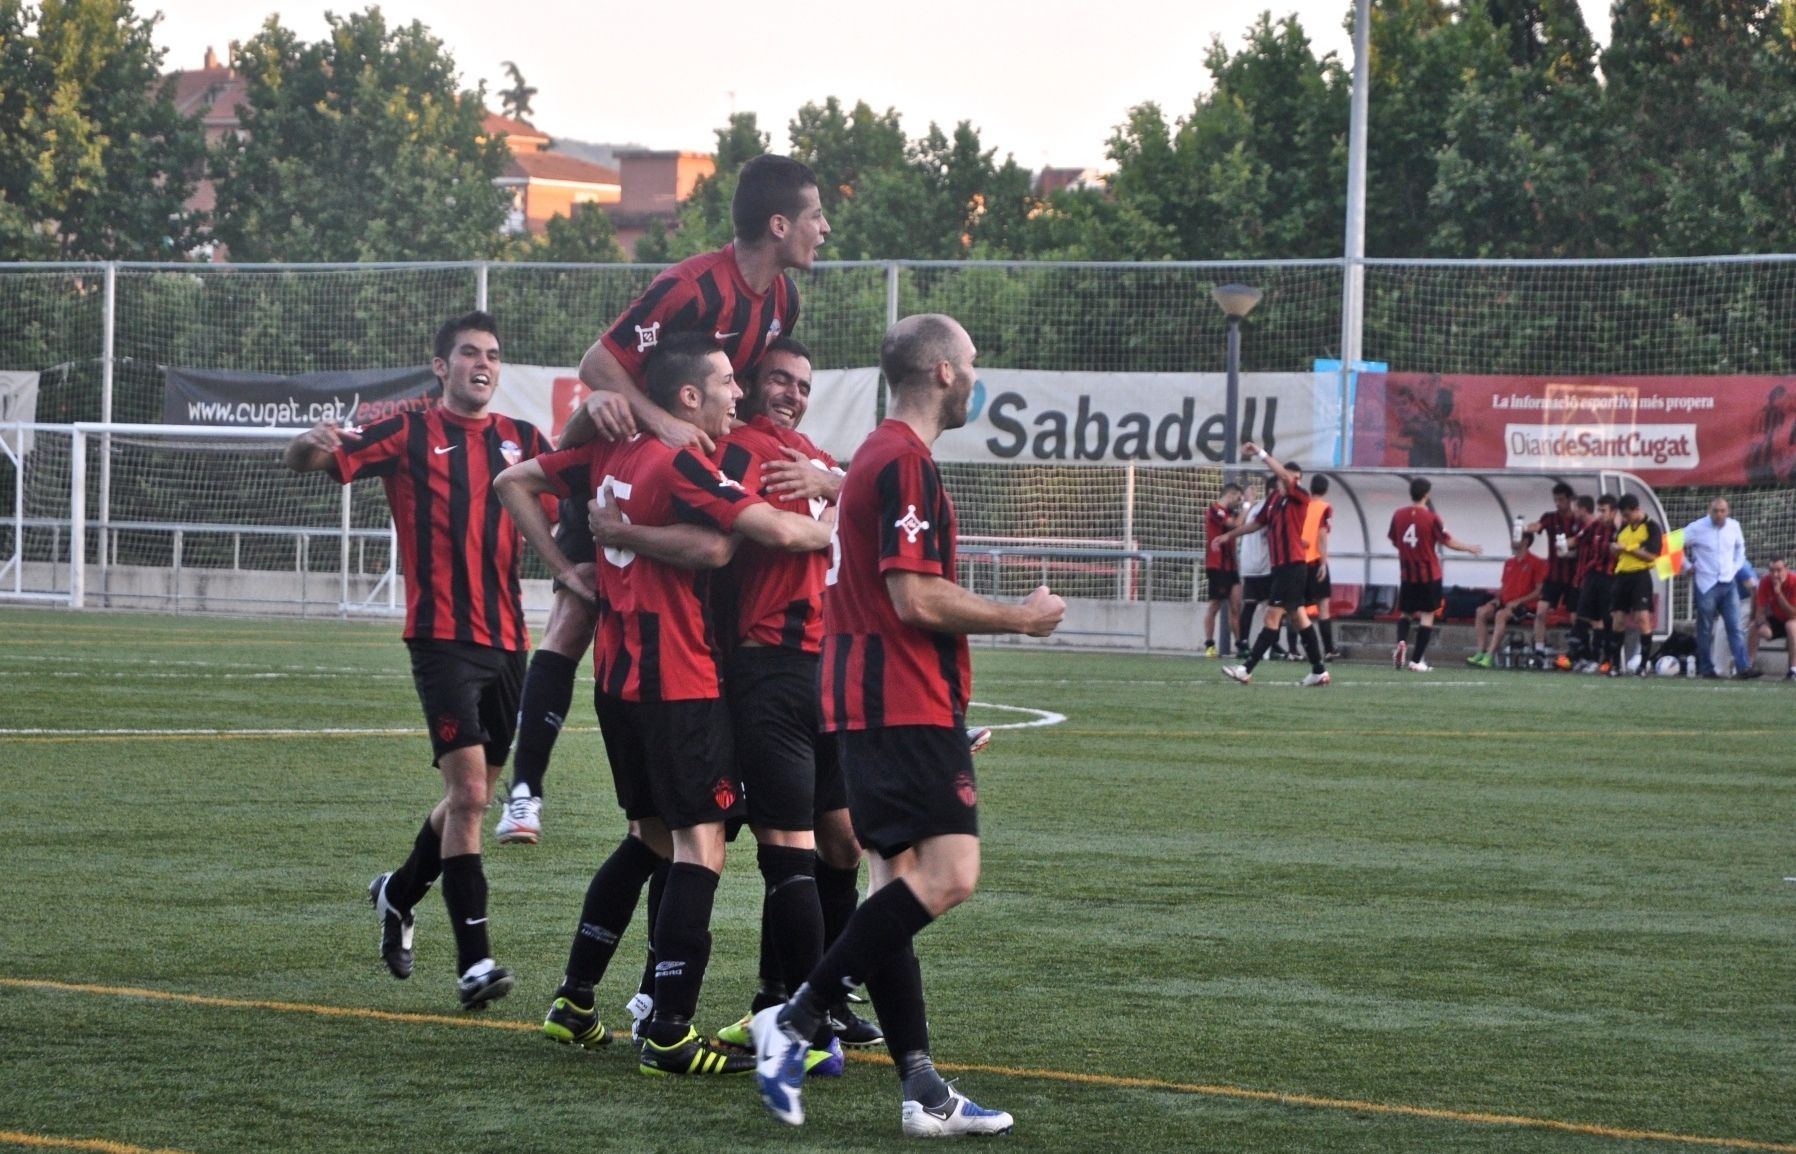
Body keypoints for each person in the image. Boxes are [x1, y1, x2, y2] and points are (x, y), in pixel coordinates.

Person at [750, 314, 1065, 1135]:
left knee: (892, 888)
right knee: (951, 874)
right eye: (973, 359)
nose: (977, 373)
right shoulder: (903, 461)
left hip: (872, 699)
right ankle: (793, 1019)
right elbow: (914, 596)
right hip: (899, 700)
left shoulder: (873, 461)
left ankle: (922, 1090)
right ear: (944, 373)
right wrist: (1023, 618)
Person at [496, 333, 834, 1076]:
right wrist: (828, 526)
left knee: (648, 839)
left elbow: (511, 482)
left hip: (618, 680)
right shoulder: (679, 459)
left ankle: (575, 999)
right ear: (688, 397)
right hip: (680, 682)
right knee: (699, 849)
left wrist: (570, 569)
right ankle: (671, 1032)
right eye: (726, 384)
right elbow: (736, 542)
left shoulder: (604, 456)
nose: (737, 395)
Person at [493, 154, 829, 846]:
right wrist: (660, 420)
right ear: (777, 223)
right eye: (816, 215)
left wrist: (808, 470)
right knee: (576, 612)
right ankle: (525, 790)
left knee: (726, 584)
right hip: (635, 462)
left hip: (700, 473)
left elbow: (753, 402)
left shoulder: (783, 302)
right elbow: (598, 364)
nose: (824, 229)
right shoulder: (691, 285)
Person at [588, 338, 882, 1054]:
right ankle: (784, 1017)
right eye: (777, 379)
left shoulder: (811, 453)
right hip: (757, 668)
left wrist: (834, 483)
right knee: (753, 846)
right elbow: (722, 541)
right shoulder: (734, 450)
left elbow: (879, 502)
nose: (791, 392)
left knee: (838, 844)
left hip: (825, 667)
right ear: (746, 386)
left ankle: (797, 1001)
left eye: (803, 383)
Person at [283, 310, 552, 1010]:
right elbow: (315, 460)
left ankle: (398, 894)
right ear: (441, 367)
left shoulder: (522, 441)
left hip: (510, 642)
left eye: (492, 353)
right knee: (468, 797)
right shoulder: (407, 430)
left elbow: (578, 484)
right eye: (468, 353)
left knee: (475, 796)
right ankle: (475, 962)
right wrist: (303, 444)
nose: (482, 364)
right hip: (440, 639)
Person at [1215, 445, 1330, 687]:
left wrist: (1261, 453)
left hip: (1292, 566)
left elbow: (1287, 477)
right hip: (1280, 568)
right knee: (1299, 618)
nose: (1294, 481)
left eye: (1297, 479)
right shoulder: (1274, 501)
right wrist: (1229, 536)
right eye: (1291, 477)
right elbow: (1256, 524)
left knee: (1271, 616)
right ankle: (1319, 671)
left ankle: (1246, 669)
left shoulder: (1300, 497)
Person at [1387, 477, 1483, 672]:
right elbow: (1447, 541)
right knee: (1427, 615)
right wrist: (1469, 548)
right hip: (1429, 574)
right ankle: (1416, 661)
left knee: (1406, 613)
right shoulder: (1431, 518)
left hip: (1407, 574)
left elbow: (1394, 540)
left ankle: (1402, 643)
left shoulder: (1398, 515)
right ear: (1426, 494)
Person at [1682, 497, 1754, 679]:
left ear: (1728, 512)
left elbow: (1740, 550)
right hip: (1706, 584)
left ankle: (1743, 667)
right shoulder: (1697, 527)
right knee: (1705, 629)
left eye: (1723, 511)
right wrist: (1687, 566)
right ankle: (1706, 668)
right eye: (1716, 511)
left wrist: (1735, 567)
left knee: (1735, 626)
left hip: (1728, 583)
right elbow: (1671, 544)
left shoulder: (1734, 526)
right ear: (1709, 511)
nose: (1719, 514)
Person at [1466, 532, 1546, 667]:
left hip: (1525, 607)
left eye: (1516, 538)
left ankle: (1489, 656)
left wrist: (1519, 601)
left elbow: (1539, 591)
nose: (1513, 540)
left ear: (1526, 541)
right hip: (1506, 604)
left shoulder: (1537, 563)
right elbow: (1504, 587)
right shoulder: (1509, 563)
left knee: (1500, 615)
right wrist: (1496, 599)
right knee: (1481, 611)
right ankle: (1480, 652)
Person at [1606, 494, 1664, 676]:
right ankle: (1615, 665)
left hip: (1640, 576)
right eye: (1623, 515)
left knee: (1642, 619)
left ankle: (1643, 666)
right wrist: (1614, 549)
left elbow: (1651, 555)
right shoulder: (1623, 527)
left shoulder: (1652, 527)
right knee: (1618, 620)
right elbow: (1615, 549)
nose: (1625, 519)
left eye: (1628, 515)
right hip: (1622, 576)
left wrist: (1628, 549)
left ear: (1637, 509)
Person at [1525, 482, 1580, 661]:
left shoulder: (1578, 521)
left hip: (1573, 576)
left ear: (1570, 500)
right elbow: (1538, 526)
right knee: (1541, 611)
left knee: (1575, 615)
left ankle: (1576, 650)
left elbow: (1585, 545)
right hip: (1554, 575)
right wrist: (1529, 527)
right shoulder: (1550, 518)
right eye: (1555, 500)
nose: (1558, 503)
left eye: (1561, 499)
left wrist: (1572, 553)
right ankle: (1539, 649)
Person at [1569, 494, 1619, 673]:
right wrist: (1562, 543)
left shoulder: (1619, 530)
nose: (1600, 514)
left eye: (1603, 510)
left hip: (1610, 579)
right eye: (1599, 510)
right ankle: (1580, 657)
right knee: (1582, 616)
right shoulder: (1595, 526)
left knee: (1605, 620)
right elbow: (1576, 540)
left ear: (1613, 512)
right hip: (1592, 576)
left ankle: (1603, 660)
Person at [1202, 482, 1243, 657]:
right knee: (1215, 606)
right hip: (1216, 565)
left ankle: (1240, 645)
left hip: (1231, 566)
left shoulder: (1231, 513)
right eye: (1239, 499)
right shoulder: (1215, 509)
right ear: (1231, 495)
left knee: (1236, 606)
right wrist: (1247, 505)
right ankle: (1210, 646)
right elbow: (1233, 525)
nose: (1240, 503)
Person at [1302, 474, 1339, 659]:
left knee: (1297, 607)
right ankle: (1329, 650)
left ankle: (1295, 650)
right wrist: (1323, 563)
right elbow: (1322, 535)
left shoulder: (1302, 505)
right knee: (1323, 607)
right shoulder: (1325, 508)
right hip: (1316, 560)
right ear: (1325, 490)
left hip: (1299, 561)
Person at [1233, 481, 1271, 658]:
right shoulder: (1261, 509)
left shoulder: (1262, 508)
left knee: (1265, 608)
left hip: (1258, 566)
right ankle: (1247, 644)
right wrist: (1248, 503)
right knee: (1255, 607)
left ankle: (1266, 646)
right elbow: (1238, 525)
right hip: (1258, 567)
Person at [1749, 555, 1796, 679]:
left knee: (1791, 626)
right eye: (1771, 571)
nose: (1775, 574)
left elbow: (1793, 614)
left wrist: (1778, 593)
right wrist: (1760, 618)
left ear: (1786, 569)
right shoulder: (1765, 581)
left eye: (1778, 570)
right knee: (1754, 626)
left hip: (1792, 621)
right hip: (1777, 620)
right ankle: (1749, 666)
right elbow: (1760, 610)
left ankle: (1793, 670)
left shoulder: (1794, 582)